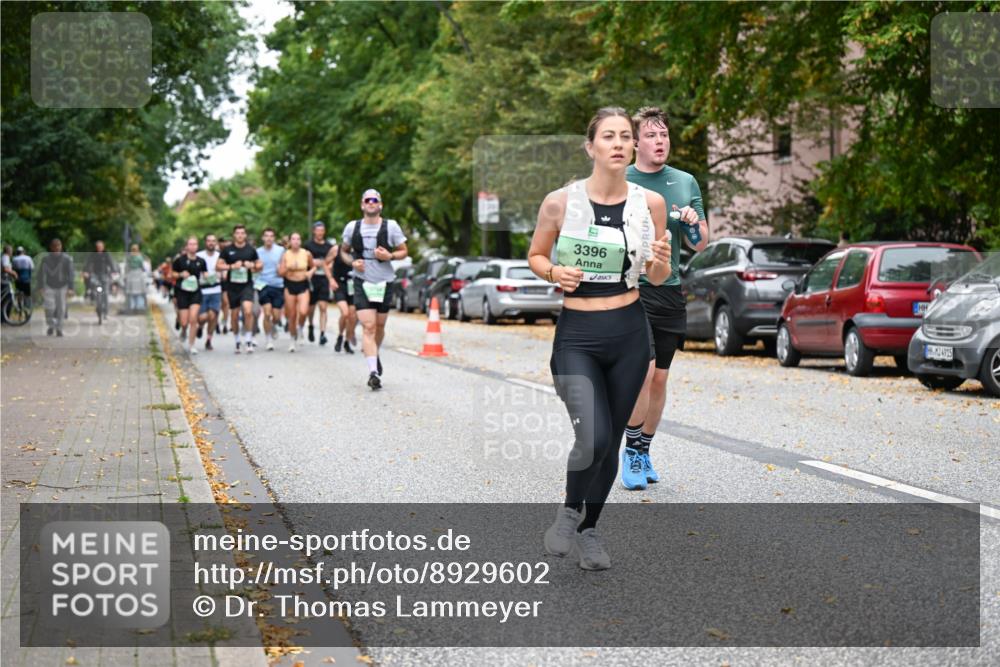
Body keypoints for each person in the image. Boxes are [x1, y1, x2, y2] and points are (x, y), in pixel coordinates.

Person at [527, 107, 671, 570]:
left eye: (625, 136)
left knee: (610, 442)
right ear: (590, 147)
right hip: (578, 335)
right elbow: (535, 254)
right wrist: (554, 271)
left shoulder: (649, 205)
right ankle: (570, 513)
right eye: (607, 136)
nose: (617, 143)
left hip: (629, 332)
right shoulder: (560, 202)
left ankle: (590, 531)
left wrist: (662, 259)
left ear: (632, 148)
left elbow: (657, 273)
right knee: (593, 434)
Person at [621, 107, 709, 490]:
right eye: (652, 136)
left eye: (665, 135)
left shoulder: (685, 182)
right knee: (642, 371)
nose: (660, 142)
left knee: (659, 378)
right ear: (636, 142)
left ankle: (643, 448)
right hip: (630, 290)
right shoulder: (620, 179)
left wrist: (692, 223)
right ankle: (630, 451)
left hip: (669, 290)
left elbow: (701, 243)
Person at [341, 189, 408, 390]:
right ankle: (373, 372)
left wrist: (390, 257)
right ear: (362, 205)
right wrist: (353, 263)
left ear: (380, 205)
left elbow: (404, 251)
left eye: (375, 200)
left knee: (379, 326)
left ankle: (374, 354)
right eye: (367, 200)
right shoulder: (352, 227)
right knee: (368, 326)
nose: (371, 203)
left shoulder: (392, 226)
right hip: (362, 280)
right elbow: (343, 253)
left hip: (385, 281)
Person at [217, 225, 261, 354]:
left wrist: (252, 265)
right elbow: (218, 266)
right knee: (234, 315)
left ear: (245, 235)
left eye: (242, 233)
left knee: (248, 311)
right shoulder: (227, 250)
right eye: (238, 233)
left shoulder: (251, 250)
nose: (240, 235)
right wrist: (231, 267)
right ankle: (237, 340)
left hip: (247, 285)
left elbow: (259, 265)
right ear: (234, 235)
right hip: (232, 286)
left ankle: (248, 338)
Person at [278, 232, 314, 352]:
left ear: (301, 241)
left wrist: (310, 273)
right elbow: (280, 272)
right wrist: (288, 267)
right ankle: (293, 339)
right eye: (293, 239)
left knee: (303, 311)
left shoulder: (306, 253)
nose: (296, 241)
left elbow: (313, 266)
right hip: (290, 285)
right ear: (290, 242)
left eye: (298, 239)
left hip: (303, 284)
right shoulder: (285, 255)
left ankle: (300, 327)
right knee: (292, 315)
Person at [172, 237, 207, 354]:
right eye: (190, 244)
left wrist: (209, 277)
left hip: (195, 292)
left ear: (197, 246)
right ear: (187, 246)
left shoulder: (201, 261)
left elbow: (205, 273)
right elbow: (172, 274)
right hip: (182, 292)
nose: (192, 246)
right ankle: (183, 330)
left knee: (193, 319)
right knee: (184, 322)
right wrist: (181, 274)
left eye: (195, 244)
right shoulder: (179, 260)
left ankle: (192, 345)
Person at [304, 221, 338, 345]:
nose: (320, 233)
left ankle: (323, 333)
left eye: (322, 230)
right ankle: (311, 325)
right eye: (318, 230)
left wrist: (326, 265)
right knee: (311, 307)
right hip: (312, 278)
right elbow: (303, 259)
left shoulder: (329, 246)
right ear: (314, 231)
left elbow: (333, 260)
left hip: (324, 278)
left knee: (323, 307)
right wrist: (314, 262)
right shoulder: (308, 245)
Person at [38, 238, 75, 336]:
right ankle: (51, 325)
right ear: (51, 247)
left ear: (61, 247)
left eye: (58, 246)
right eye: (54, 246)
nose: (56, 248)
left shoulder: (67, 259)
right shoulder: (45, 259)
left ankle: (59, 329)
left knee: (61, 309)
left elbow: (71, 274)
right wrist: (41, 286)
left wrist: (71, 288)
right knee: (49, 308)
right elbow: (41, 273)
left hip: (63, 286)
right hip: (49, 286)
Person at [256, 228, 285, 350]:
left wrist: (281, 269)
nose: (268, 238)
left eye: (271, 236)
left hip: (278, 284)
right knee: (267, 312)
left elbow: (284, 267)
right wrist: (257, 267)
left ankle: (273, 325)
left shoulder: (280, 250)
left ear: (274, 238)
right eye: (266, 236)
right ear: (263, 238)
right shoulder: (257, 252)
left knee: (277, 316)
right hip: (263, 284)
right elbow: (254, 268)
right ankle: (268, 340)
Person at [195, 234, 222, 351]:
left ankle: (209, 340)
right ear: (205, 242)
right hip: (202, 290)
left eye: (213, 241)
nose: (211, 243)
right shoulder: (199, 256)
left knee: (213, 315)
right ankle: (200, 326)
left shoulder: (220, 256)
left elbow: (225, 270)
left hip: (216, 290)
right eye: (209, 241)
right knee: (202, 317)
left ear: (216, 243)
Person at [331, 231, 357, 354]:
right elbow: (326, 264)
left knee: (353, 316)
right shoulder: (336, 249)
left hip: (352, 285)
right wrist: (331, 279)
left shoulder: (358, 251)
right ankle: (340, 336)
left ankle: (347, 341)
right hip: (339, 284)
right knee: (345, 313)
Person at [82, 240, 117, 316]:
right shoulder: (93, 254)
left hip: (105, 275)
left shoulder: (106, 254)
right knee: (95, 289)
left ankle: (106, 312)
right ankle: (94, 299)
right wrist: (86, 271)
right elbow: (88, 263)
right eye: (98, 247)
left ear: (103, 247)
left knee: (106, 294)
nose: (99, 248)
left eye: (100, 247)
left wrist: (113, 271)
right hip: (95, 275)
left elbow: (111, 263)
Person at [124, 244, 148, 312]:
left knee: (132, 291)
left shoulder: (129, 257)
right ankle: (139, 306)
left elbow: (127, 266)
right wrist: (144, 270)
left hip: (131, 274)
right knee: (139, 291)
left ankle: (132, 306)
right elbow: (142, 266)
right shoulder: (140, 257)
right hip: (138, 274)